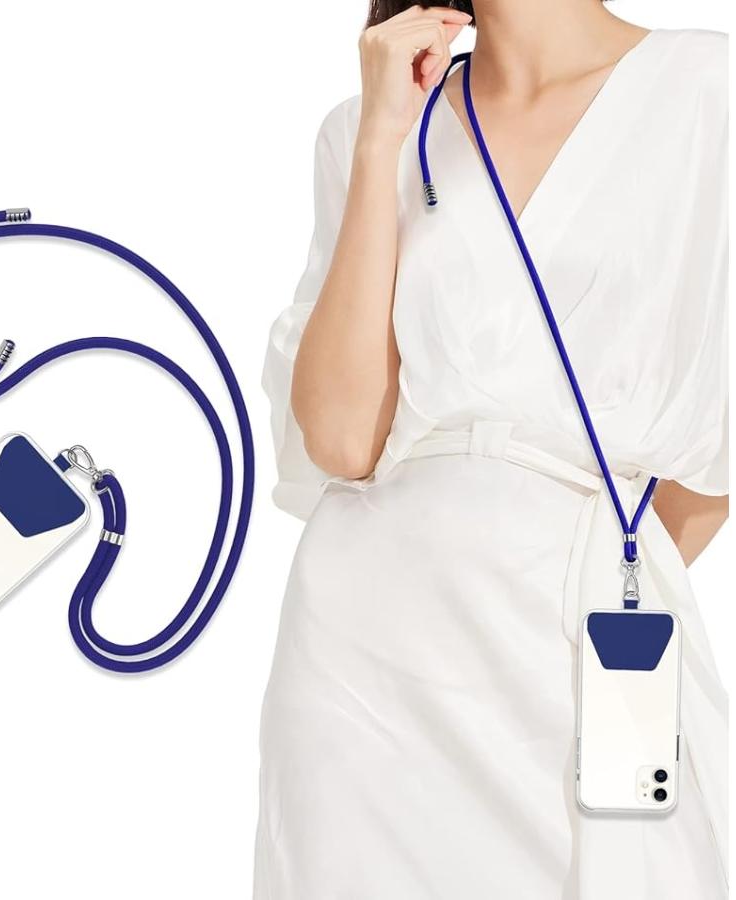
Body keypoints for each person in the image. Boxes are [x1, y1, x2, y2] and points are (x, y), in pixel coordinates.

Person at [254, 2, 729, 897]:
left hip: (577, 637)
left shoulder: (709, 90)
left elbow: (714, 468)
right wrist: (381, 139)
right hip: (361, 662)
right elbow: (342, 436)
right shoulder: (371, 121)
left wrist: (588, 576)